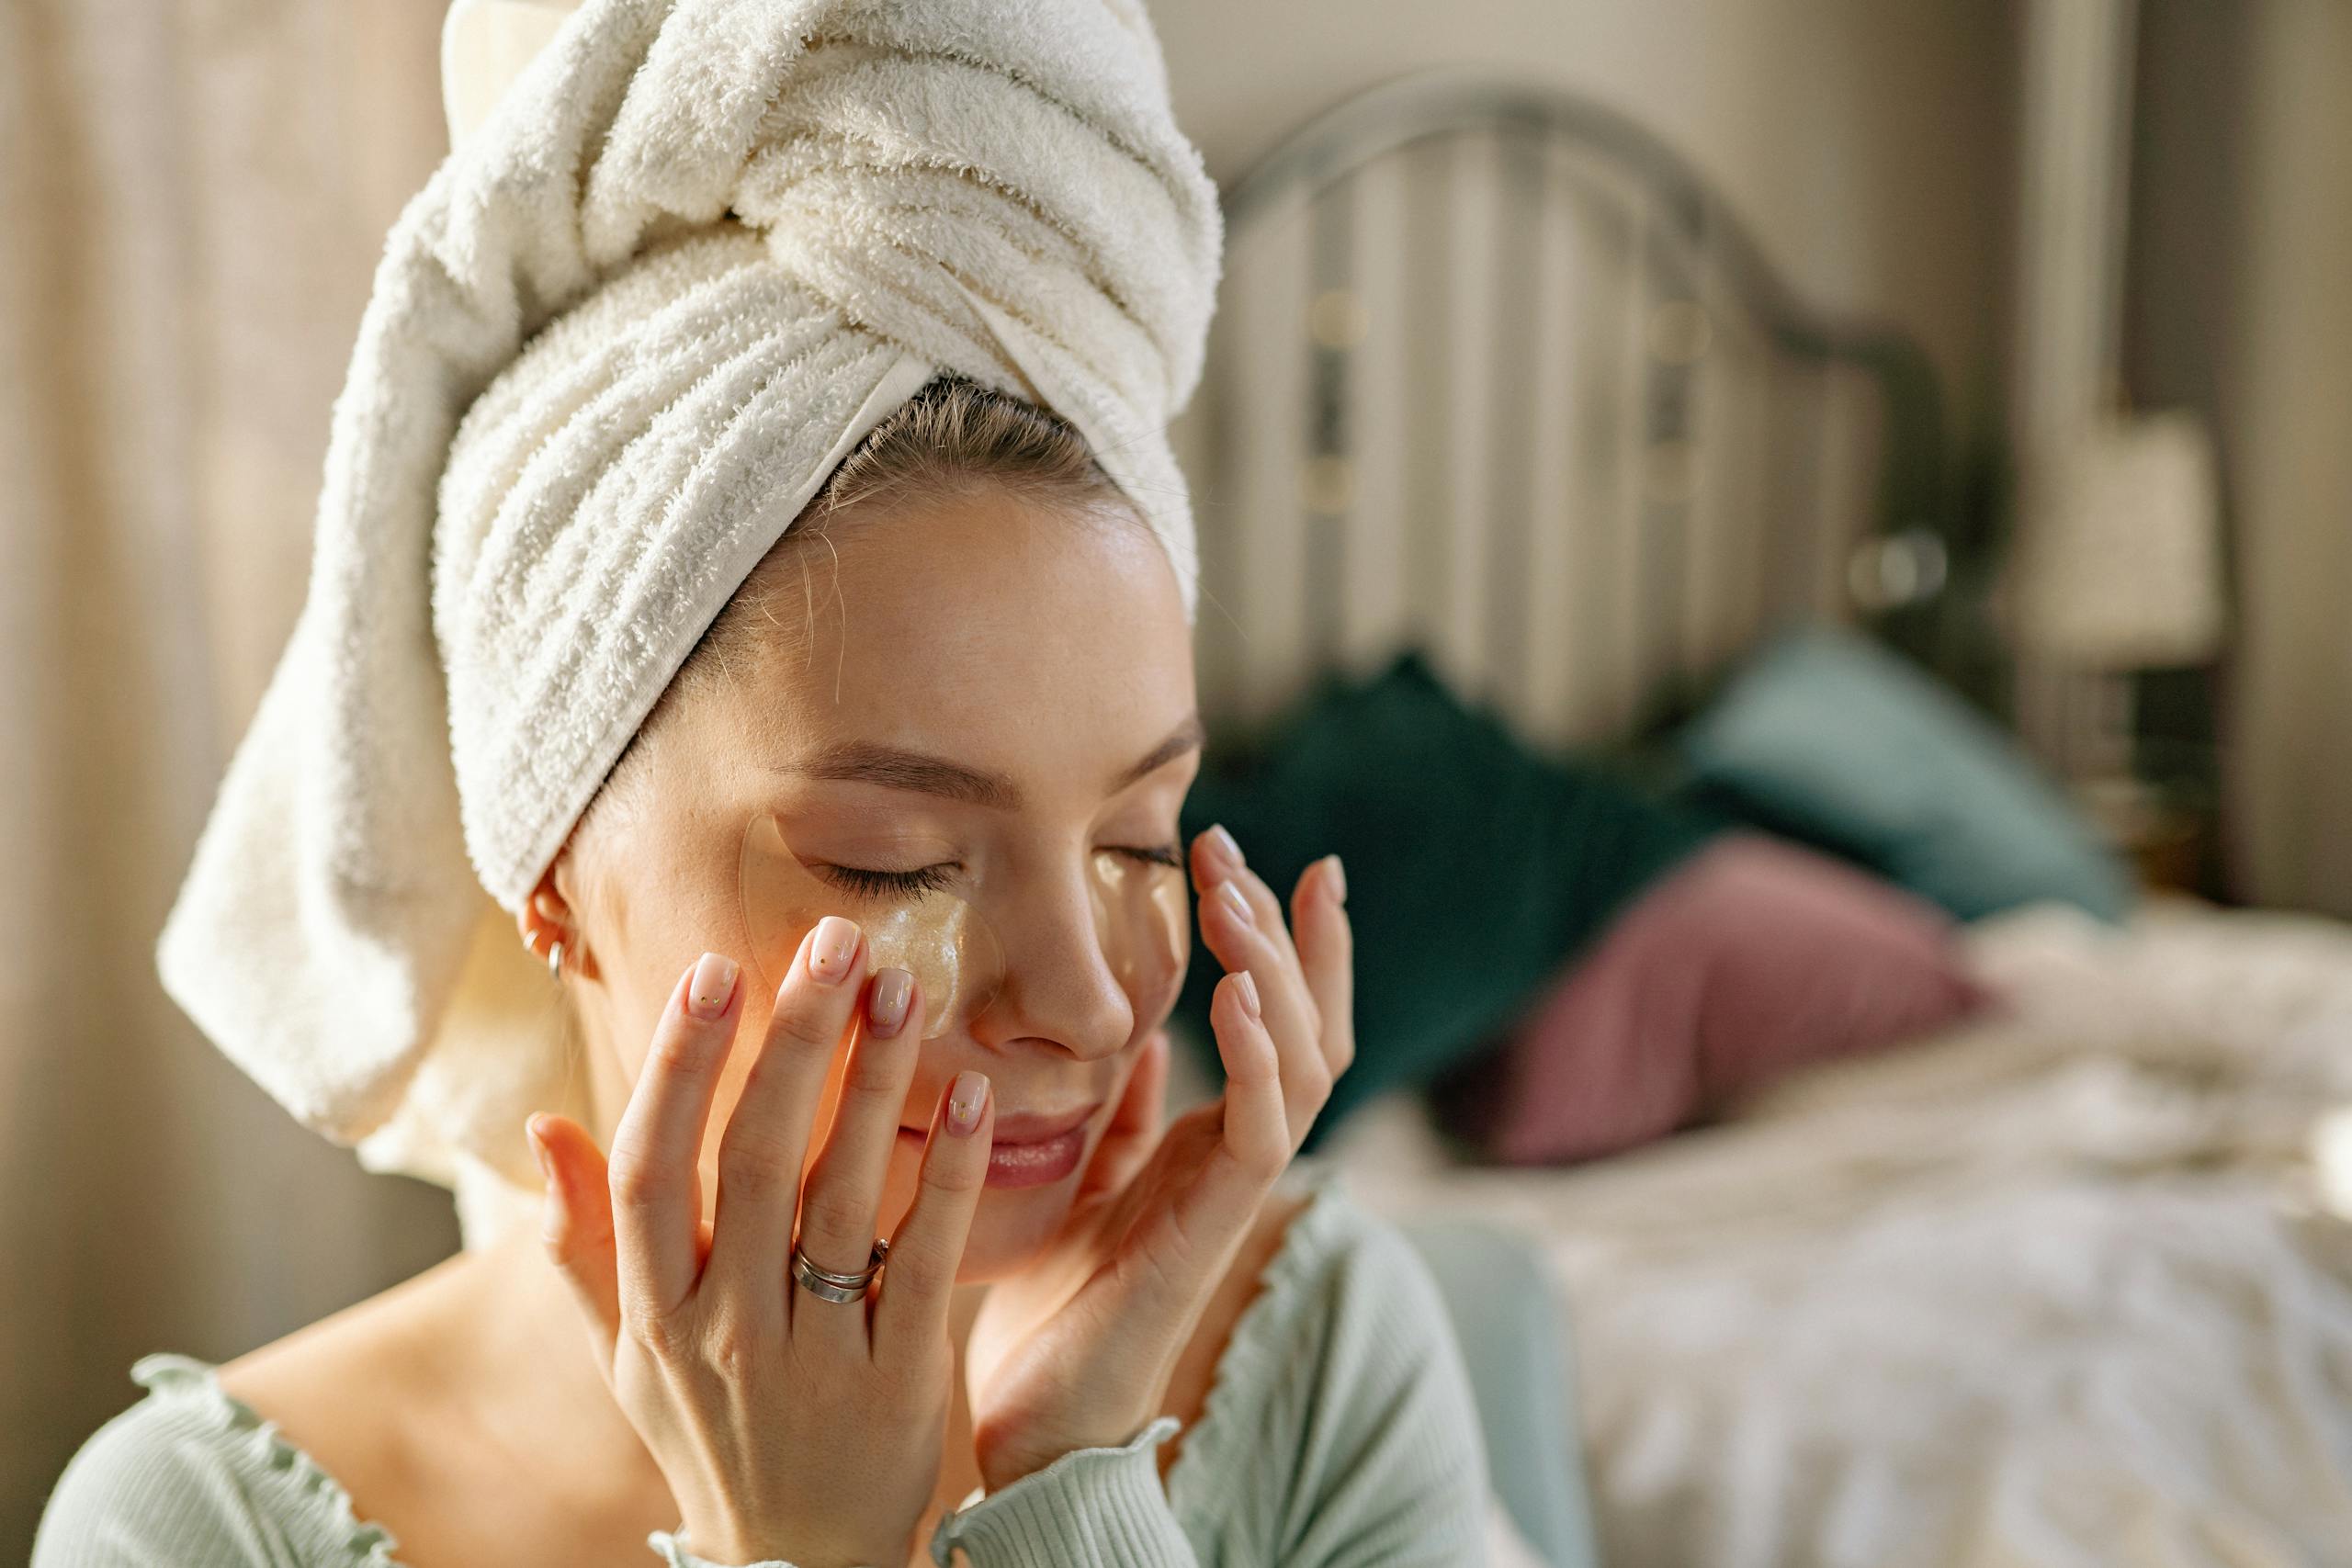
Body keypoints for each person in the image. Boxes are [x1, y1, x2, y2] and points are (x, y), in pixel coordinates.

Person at [33, 3, 1493, 1564]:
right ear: (553, 870)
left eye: (1139, 836)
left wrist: (1071, 1473)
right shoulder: (194, 1531)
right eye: (899, 863)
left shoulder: (1321, 1348)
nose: (1093, 1001)